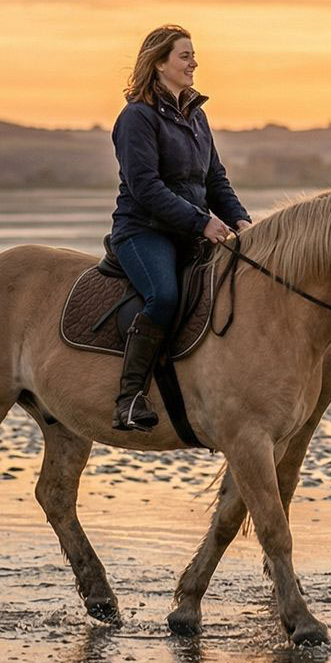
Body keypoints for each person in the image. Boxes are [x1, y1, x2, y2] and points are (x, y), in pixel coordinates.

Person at [106, 24, 253, 431]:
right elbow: (146, 187)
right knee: (165, 297)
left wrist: (242, 219)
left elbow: (215, 180)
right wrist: (201, 221)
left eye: (194, 55)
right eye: (185, 56)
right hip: (143, 230)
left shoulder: (196, 114)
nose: (194, 63)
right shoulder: (137, 117)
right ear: (158, 63)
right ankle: (130, 397)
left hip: (190, 229)